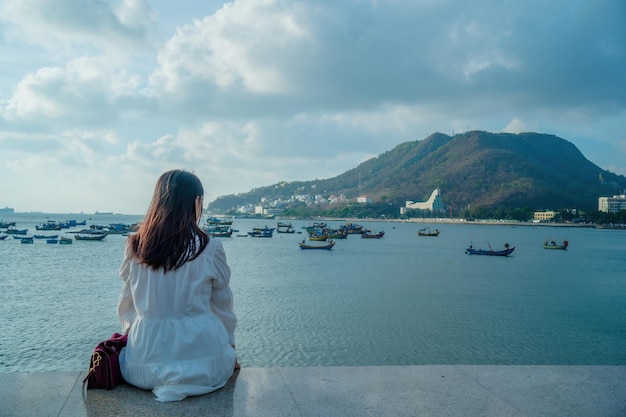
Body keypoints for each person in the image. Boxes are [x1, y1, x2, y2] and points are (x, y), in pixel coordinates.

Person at [117, 170, 239, 402]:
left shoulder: (135, 245)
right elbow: (223, 308)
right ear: (196, 202)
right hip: (205, 363)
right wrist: (232, 351)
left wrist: (133, 339)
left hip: (143, 365)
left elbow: (127, 305)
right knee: (218, 358)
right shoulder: (210, 247)